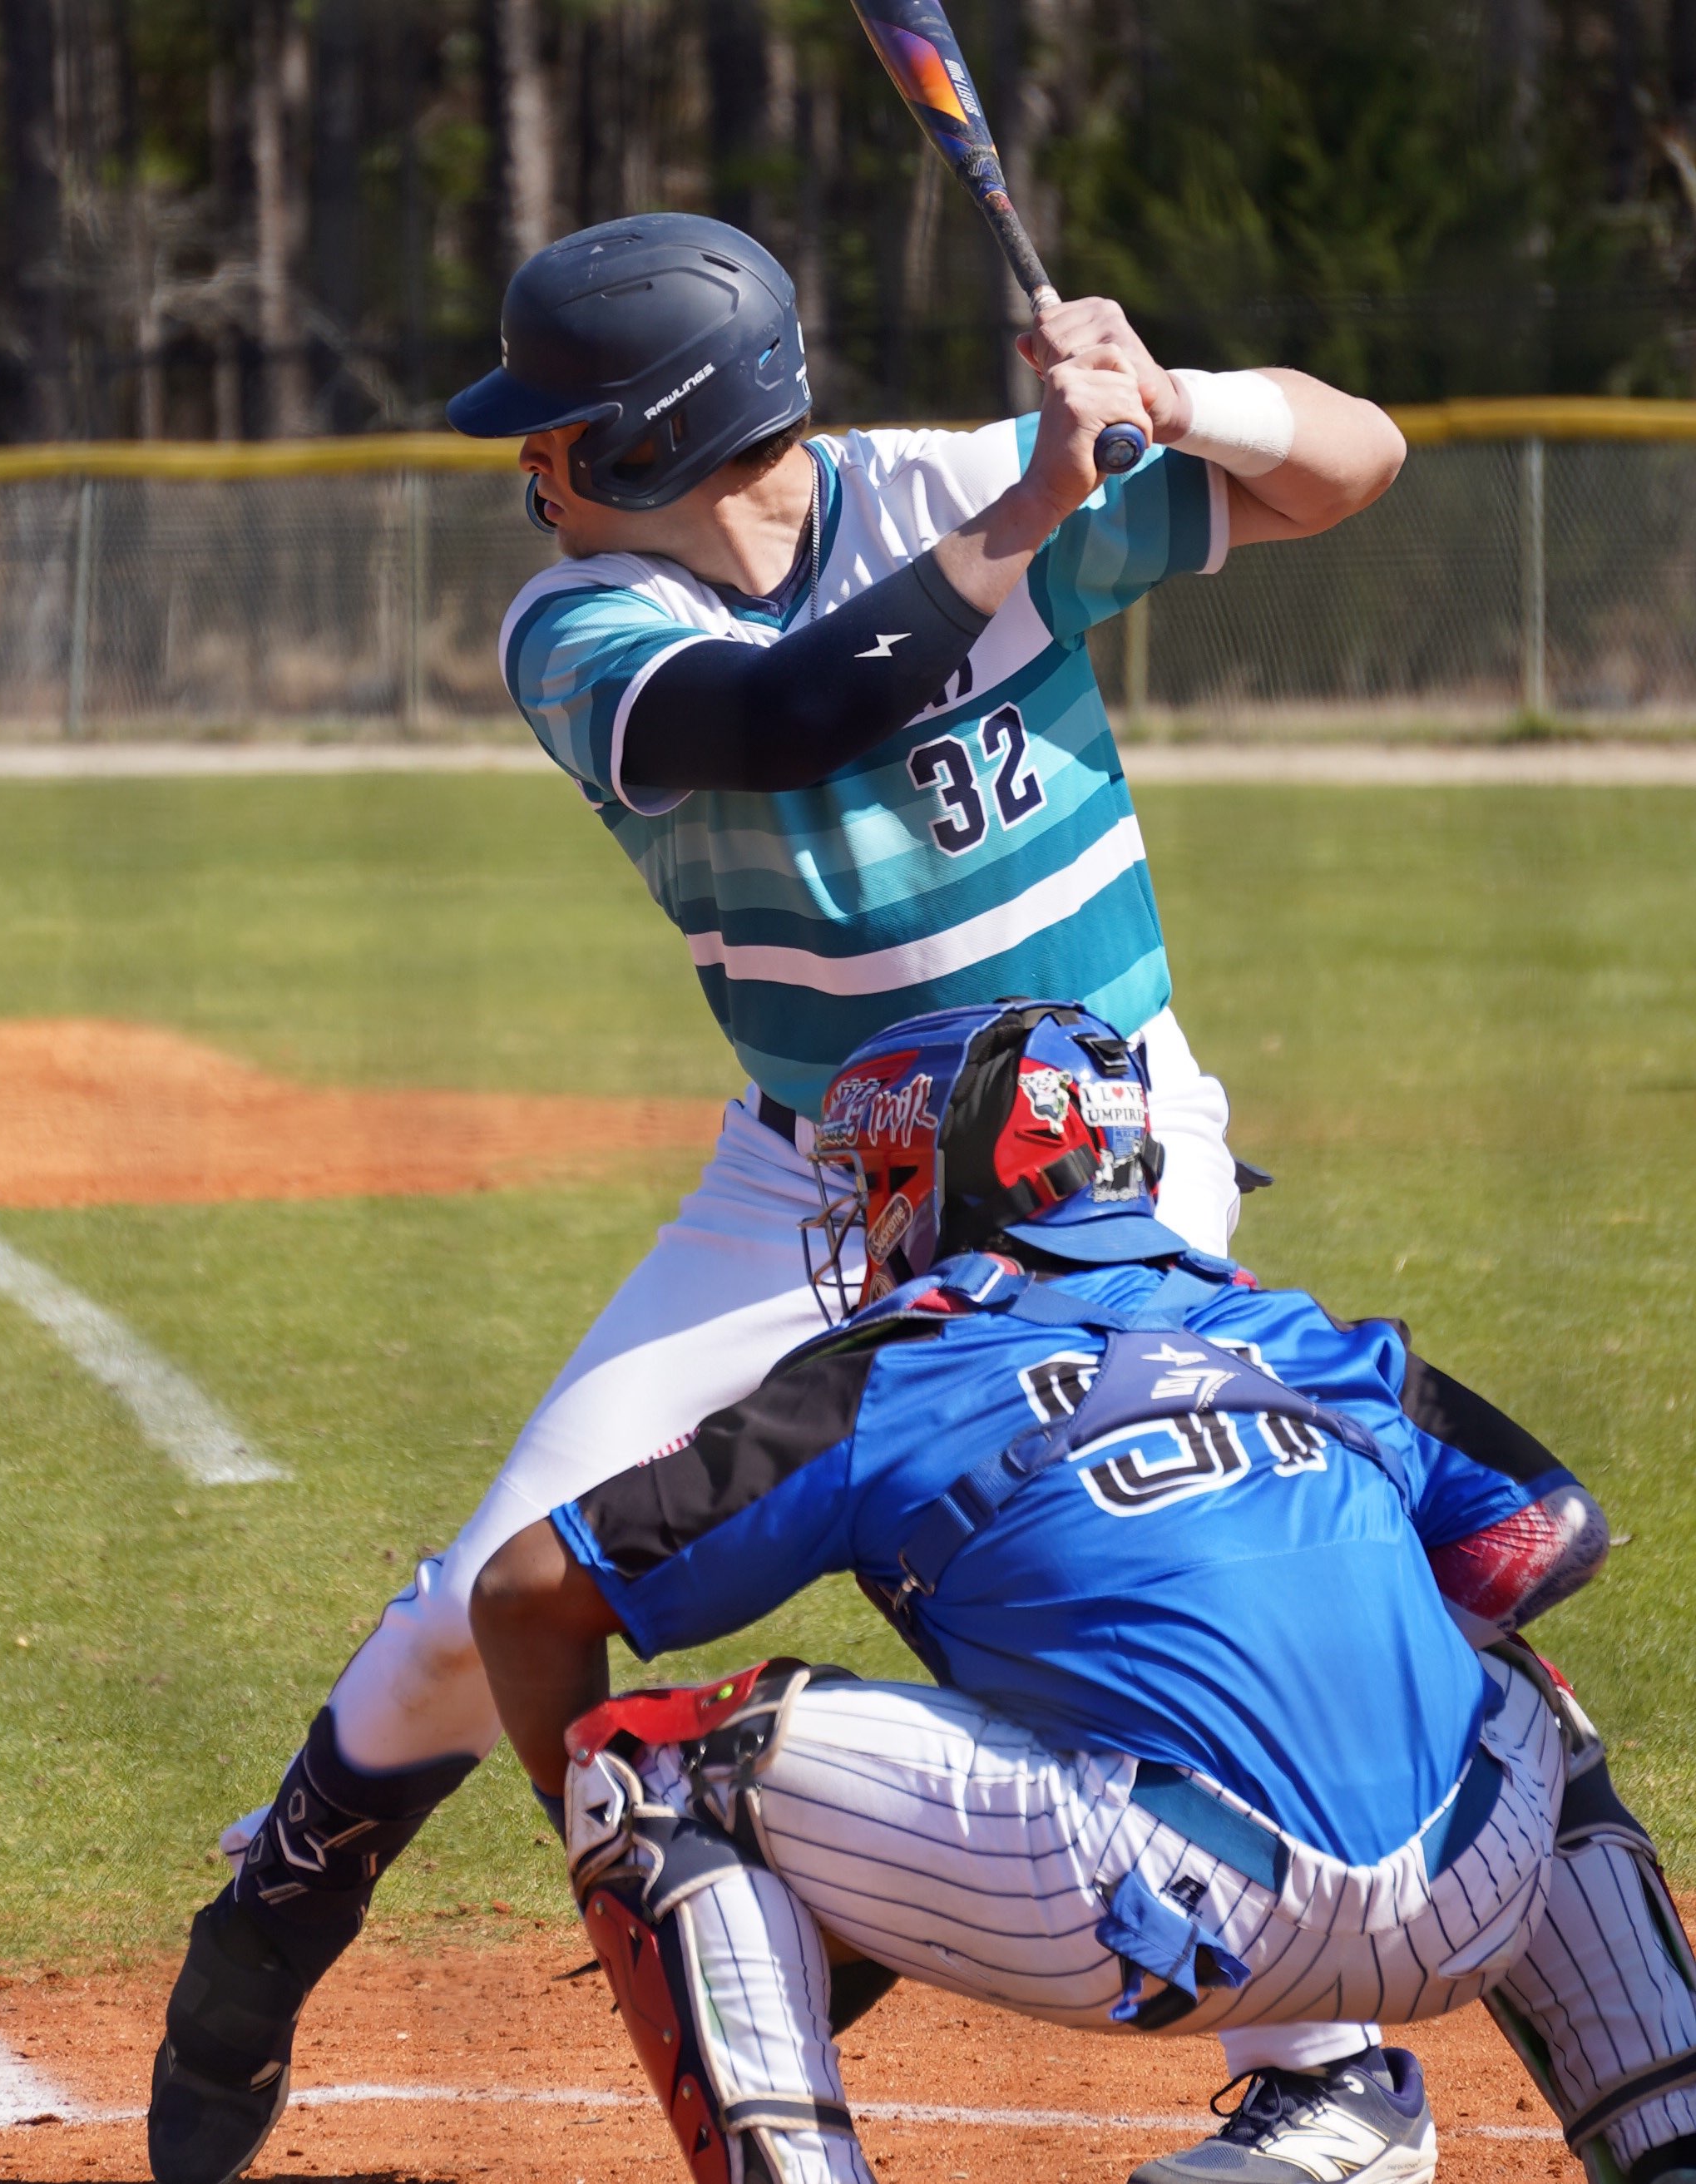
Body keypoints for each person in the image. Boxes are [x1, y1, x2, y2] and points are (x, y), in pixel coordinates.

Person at [146, 210, 1407, 2184]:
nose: (523, 470)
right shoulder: (580, 624)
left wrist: (1173, 400)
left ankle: (1335, 2077)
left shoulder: (964, 478)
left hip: (1101, 1162)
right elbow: (788, 713)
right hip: (808, 1172)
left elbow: (1356, 465)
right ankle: (267, 1928)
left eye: (549, 434)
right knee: (497, 1588)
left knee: (1114, 1581)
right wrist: (1022, 523)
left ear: (650, 439)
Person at [471, 1001, 1696, 2184]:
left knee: (660, 1770)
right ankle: (1670, 2134)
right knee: (1506, 1684)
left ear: (951, 1180)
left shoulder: (900, 1363)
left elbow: (525, 1592)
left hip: (1161, 1921)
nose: (868, 1213)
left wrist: (592, 1841)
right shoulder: (1296, 1330)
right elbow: (1549, 1533)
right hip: (1471, 1897)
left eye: (882, 1177)